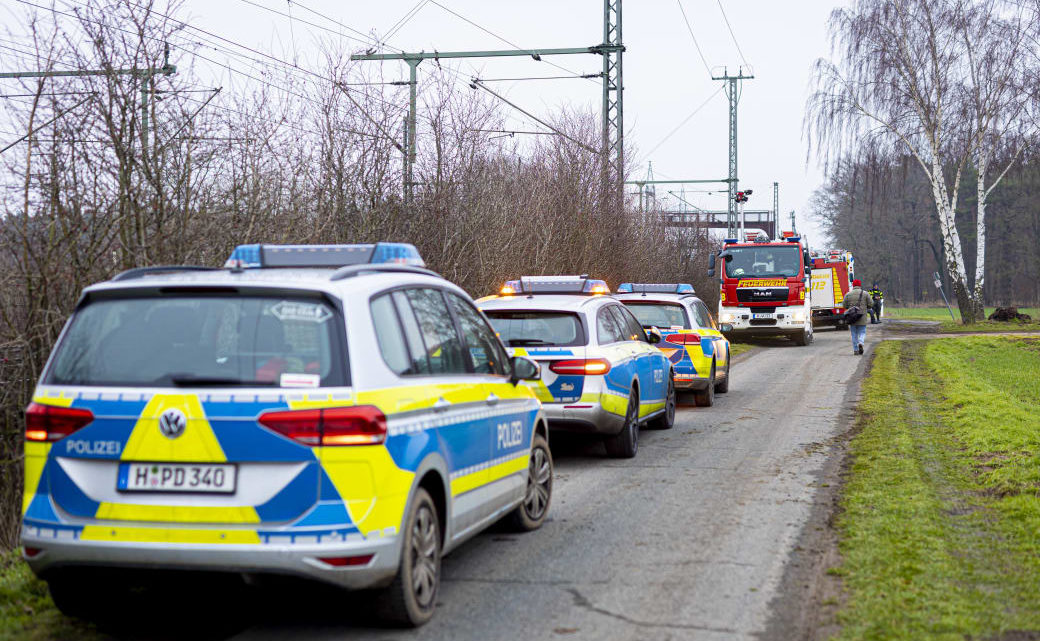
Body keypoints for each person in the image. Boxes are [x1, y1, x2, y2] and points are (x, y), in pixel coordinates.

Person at [843, 279, 871, 355]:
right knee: (862, 332)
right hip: (862, 316)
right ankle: (861, 342)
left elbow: (844, 306)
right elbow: (871, 304)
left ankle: (855, 350)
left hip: (852, 318)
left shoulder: (848, 294)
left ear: (853, 285)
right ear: (860, 285)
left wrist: (850, 307)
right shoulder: (865, 294)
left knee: (854, 334)